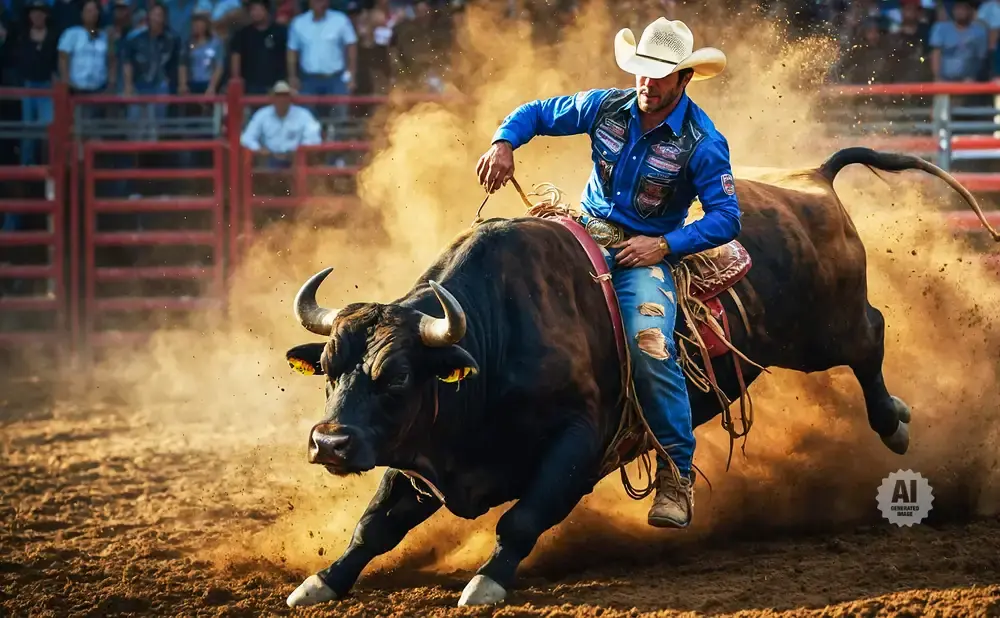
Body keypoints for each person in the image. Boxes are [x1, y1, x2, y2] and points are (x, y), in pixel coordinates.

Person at [477, 17, 741, 529]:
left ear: (684, 79)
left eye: (660, 75)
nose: (647, 82)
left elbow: (727, 218)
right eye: (642, 71)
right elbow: (536, 113)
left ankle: (675, 474)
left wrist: (663, 244)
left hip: (643, 256)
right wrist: (503, 142)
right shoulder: (607, 105)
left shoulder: (703, 142)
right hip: (580, 231)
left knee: (649, 342)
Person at [240, 80, 322, 169]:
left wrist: (300, 151)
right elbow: (246, 138)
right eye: (278, 96)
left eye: (285, 96)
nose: (282, 99)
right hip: (269, 158)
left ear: (290, 98)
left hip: (295, 159)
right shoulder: (262, 114)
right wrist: (258, 149)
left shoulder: (304, 115)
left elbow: (314, 138)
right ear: (273, 99)